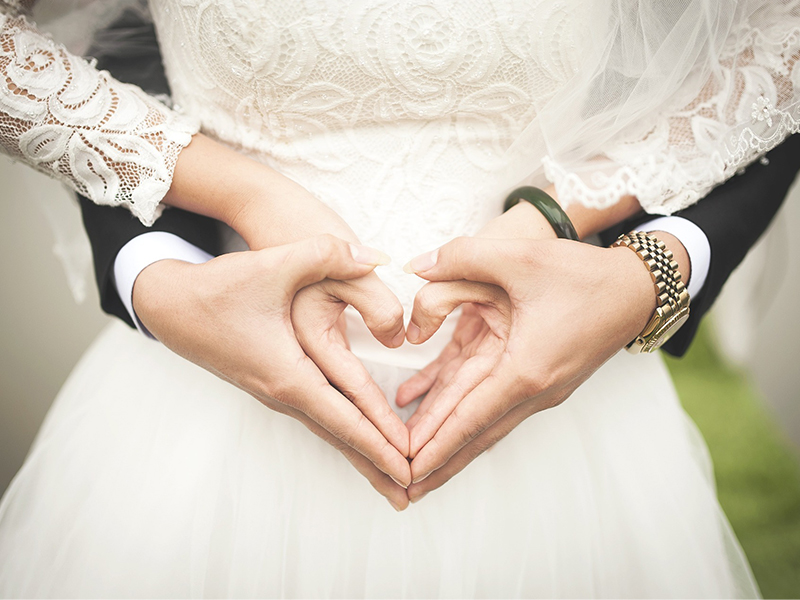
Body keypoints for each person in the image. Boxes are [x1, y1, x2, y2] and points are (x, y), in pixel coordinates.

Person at [1, 0, 798, 596]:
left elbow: (777, 36)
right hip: (210, 401)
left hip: (555, 398)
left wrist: (577, 226)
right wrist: (236, 199)